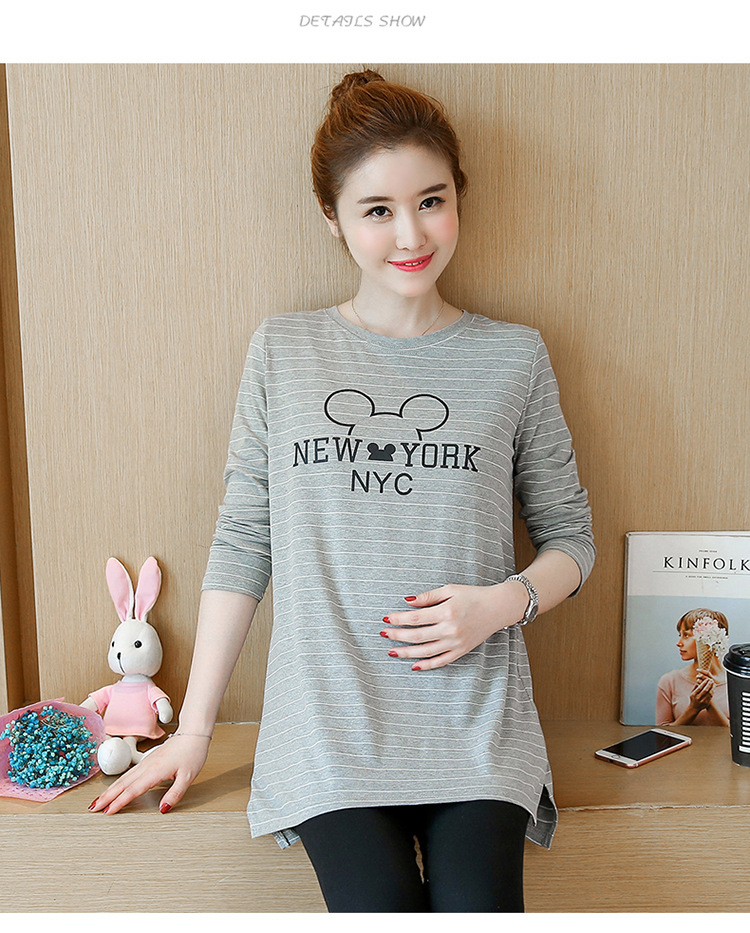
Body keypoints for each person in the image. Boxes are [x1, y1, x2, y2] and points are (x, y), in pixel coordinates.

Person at [89, 70, 595, 912]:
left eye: (431, 201)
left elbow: (571, 537)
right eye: (377, 210)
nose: (411, 234)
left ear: (459, 195)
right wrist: (194, 730)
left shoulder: (514, 357)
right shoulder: (285, 352)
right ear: (332, 217)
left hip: (477, 726)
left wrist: (500, 605)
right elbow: (244, 542)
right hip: (327, 729)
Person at [656, 608, 730, 727]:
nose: (678, 643)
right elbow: (661, 734)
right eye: (680, 635)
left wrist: (709, 704)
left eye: (686, 635)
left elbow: (741, 734)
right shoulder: (669, 682)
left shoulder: (735, 682)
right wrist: (693, 708)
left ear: (710, 638)